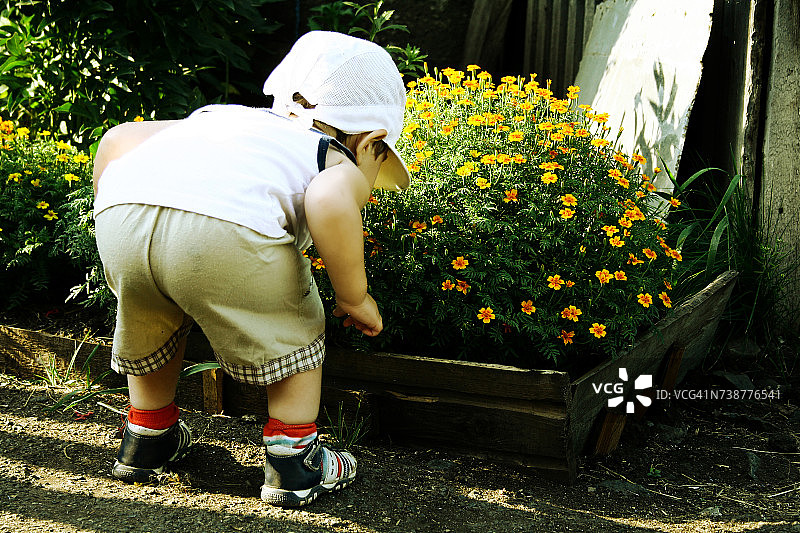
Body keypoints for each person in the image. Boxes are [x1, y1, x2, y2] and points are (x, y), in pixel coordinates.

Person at [91, 30, 409, 507]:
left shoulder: (221, 118)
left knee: (153, 318)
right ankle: (294, 461)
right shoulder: (333, 157)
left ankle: (147, 437)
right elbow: (328, 200)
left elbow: (117, 139)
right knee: (296, 325)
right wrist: (353, 296)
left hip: (125, 215)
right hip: (224, 233)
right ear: (372, 143)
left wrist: (120, 222)